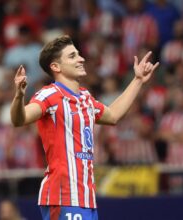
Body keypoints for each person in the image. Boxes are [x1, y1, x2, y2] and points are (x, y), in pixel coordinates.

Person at [10, 35, 159, 220]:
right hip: (63, 195)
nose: (81, 59)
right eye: (72, 56)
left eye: (79, 54)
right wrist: (19, 96)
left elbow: (113, 116)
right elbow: (20, 119)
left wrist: (137, 80)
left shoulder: (85, 98)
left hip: (86, 198)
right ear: (56, 67)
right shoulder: (49, 95)